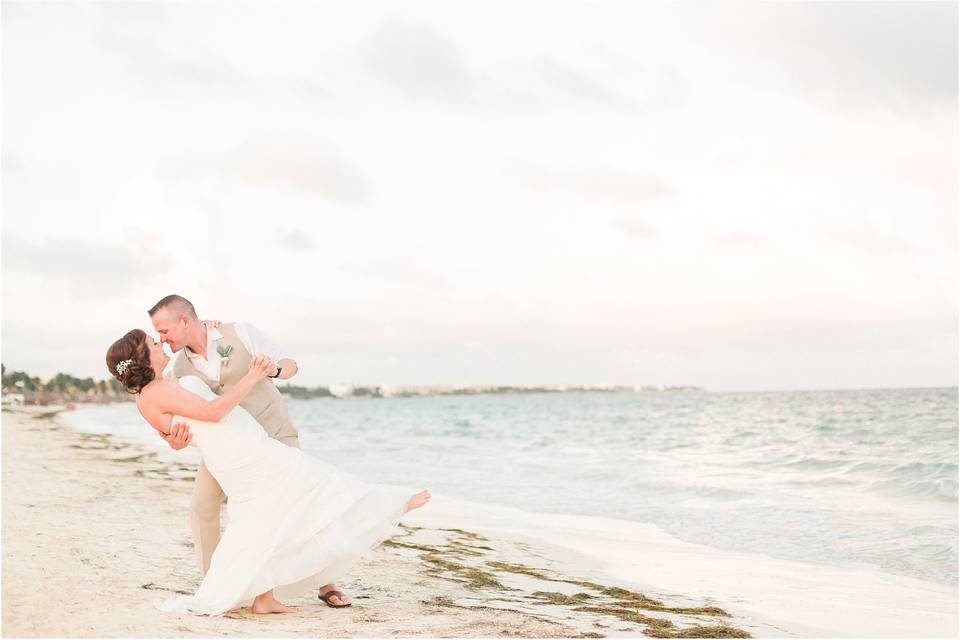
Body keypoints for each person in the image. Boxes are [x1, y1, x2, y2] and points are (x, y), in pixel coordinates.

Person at [106, 328, 431, 615]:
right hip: (244, 453)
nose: (160, 343)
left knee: (262, 518)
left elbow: (178, 429)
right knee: (316, 480)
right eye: (152, 342)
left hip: (238, 451)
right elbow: (212, 411)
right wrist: (253, 375)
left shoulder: (155, 391)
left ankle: (265, 596)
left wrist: (172, 439)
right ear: (140, 357)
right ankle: (393, 502)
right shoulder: (159, 391)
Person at [148, 294, 350, 608]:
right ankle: (214, 585)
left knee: (302, 503)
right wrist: (175, 440)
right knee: (202, 507)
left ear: (184, 321)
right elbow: (180, 416)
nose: (162, 339)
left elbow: (291, 365)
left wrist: (273, 370)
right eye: (157, 334)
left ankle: (326, 582)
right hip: (228, 448)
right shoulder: (177, 367)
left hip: (274, 432)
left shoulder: (239, 332)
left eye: (164, 330)